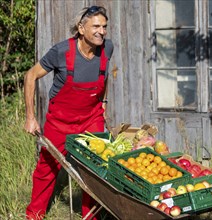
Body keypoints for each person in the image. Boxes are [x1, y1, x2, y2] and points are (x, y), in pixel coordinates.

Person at [24, 6, 113, 220]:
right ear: (81, 29)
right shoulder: (62, 51)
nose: (102, 31)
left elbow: (104, 75)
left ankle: (90, 216)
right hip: (60, 121)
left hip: (91, 117)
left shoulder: (107, 48)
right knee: (47, 168)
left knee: (94, 167)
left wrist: (104, 102)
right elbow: (30, 76)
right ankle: (34, 215)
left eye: (105, 26)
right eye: (96, 26)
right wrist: (30, 117)